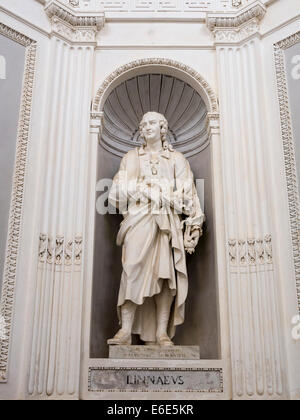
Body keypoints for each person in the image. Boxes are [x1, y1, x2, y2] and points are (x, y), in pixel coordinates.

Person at [107, 112, 204, 346]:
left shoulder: (177, 160)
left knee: (164, 276)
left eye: (152, 123)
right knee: (131, 268)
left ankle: (162, 333)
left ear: (162, 128)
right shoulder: (130, 158)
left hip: (166, 220)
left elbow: (188, 194)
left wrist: (194, 224)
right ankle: (125, 330)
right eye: (144, 124)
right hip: (138, 218)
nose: (147, 127)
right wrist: (142, 189)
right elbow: (115, 193)